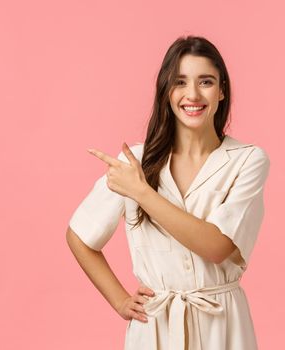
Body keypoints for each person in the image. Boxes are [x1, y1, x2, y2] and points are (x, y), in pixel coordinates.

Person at [66, 35, 271, 350]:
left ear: (221, 90)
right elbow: (79, 235)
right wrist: (120, 300)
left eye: (205, 81)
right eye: (180, 82)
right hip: (156, 329)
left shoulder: (247, 160)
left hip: (223, 327)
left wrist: (143, 193)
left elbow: (216, 246)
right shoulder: (136, 162)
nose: (192, 94)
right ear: (166, 91)